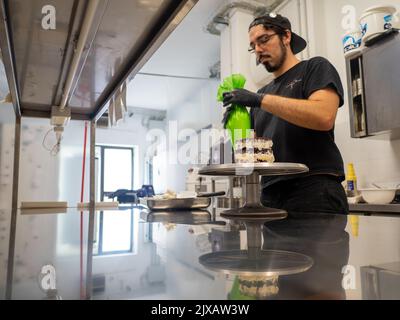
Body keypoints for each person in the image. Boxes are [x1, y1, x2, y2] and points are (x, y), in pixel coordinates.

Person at [222, 13, 348, 215]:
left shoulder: (314, 68)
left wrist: (258, 100)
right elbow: (252, 157)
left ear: (286, 36)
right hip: (270, 195)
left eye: (263, 40)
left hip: (314, 190)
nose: (258, 50)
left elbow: (324, 116)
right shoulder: (262, 94)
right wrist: (235, 127)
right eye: (253, 46)